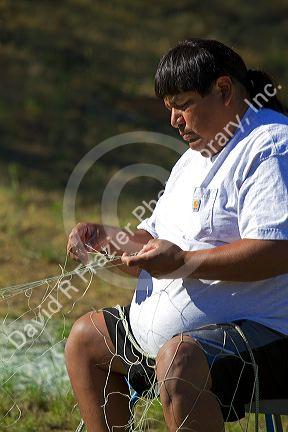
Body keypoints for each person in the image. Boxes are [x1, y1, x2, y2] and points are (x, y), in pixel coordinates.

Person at [65, 39, 288, 432]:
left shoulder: (270, 145)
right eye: (168, 107)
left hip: (271, 336)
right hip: (179, 343)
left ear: (223, 90)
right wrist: (106, 240)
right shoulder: (192, 159)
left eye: (182, 104)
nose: (174, 120)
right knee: (86, 339)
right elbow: (154, 246)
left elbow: (276, 251)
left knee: (180, 361)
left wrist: (184, 264)